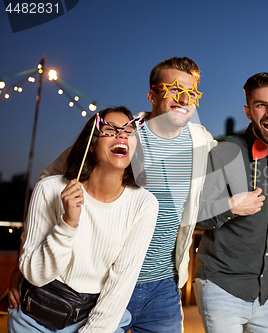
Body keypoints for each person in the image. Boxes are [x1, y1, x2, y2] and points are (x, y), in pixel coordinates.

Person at [9, 57, 216, 333]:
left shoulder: (201, 142)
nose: (183, 98)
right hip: (103, 282)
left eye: (191, 92)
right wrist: (26, 264)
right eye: (174, 89)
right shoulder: (120, 136)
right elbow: (51, 180)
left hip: (162, 285)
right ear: (152, 95)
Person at [8, 107, 159, 333]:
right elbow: (36, 275)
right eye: (110, 130)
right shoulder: (48, 189)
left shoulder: (144, 204)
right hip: (34, 317)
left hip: (95, 319)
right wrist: (67, 224)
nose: (123, 135)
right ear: (90, 143)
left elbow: (121, 283)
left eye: (129, 131)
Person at [194, 72, 268, 333]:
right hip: (221, 286)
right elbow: (195, 213)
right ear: (248, 111)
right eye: (261, 105)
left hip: (265, 292)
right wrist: (230, 207)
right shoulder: (226, 152)